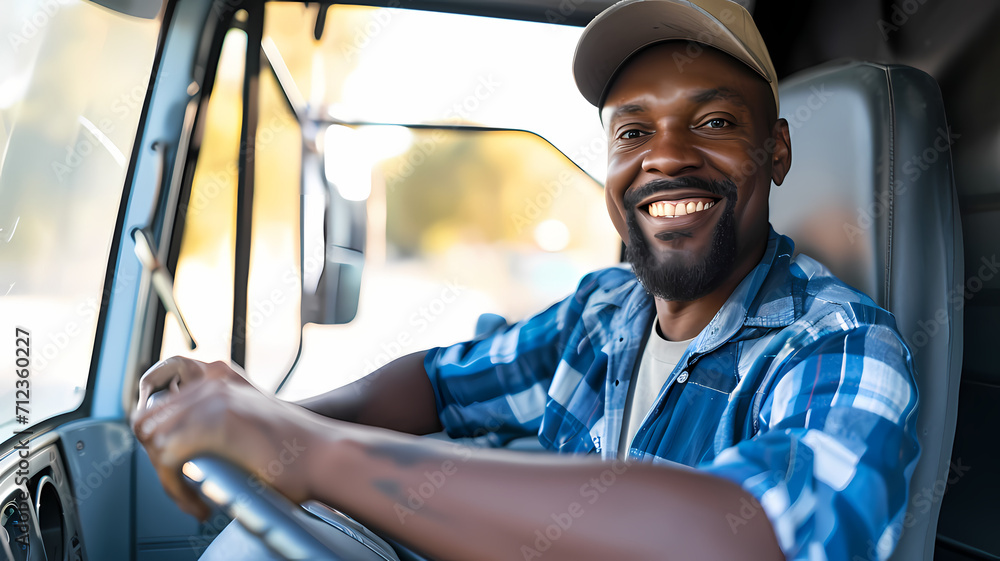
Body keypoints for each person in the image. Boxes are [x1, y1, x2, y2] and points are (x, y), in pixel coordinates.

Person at [132, 0, 920, 559]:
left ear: (775, 151)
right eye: (633, 131)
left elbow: (750, 537)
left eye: (714, 123)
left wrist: (315, 453)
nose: (667, 156)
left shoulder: (842, 343)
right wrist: (264, 414)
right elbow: (440, 385)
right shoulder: (605, 312)